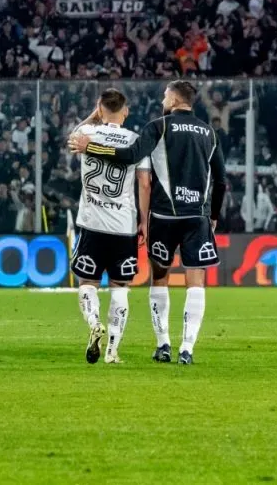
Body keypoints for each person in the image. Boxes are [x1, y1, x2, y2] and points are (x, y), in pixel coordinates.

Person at [69, 80, 227, 365]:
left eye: (166, 95)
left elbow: (129, 156)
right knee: (195, 281)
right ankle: (187, 349)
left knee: (159, 276)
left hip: (161, 216)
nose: (163, 99)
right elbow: (221, 180)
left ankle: (163, 344)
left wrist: (92, 145)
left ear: (176, 99)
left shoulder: (157, 126)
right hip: (195, 216)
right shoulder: (209, 132)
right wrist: (213, 215)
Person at [71, 89, 151, 364]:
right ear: (125, 111)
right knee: (120, 288)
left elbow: (75, 137)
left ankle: (94, 322)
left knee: (87, 284)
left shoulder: (85, 135)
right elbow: (144, 184)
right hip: (123, 227)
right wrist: (144, 220)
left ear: (100, 108)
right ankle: (112, 351)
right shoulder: (136, 142)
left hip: (91, 224)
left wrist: (96, 115)